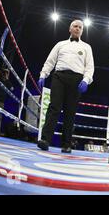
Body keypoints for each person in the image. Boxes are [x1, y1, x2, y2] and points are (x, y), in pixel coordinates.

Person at [37, 19, 94, 154]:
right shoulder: (60, 44)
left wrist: (86, 80)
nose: (77, 28)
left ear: (82, 31)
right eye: (75, 26)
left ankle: (66, 144)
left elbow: (89, 67)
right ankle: (45, 140)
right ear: (70, 29)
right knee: (54, 107)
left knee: (70, 112)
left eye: (80, 27)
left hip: (76, 79)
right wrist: (43, 74)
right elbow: (50, 61)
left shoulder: (86, 47)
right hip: (59, 77)